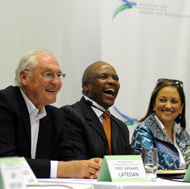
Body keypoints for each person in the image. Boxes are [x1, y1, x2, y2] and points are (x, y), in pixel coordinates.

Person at [0, 49, 102, 178]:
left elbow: (67, 160)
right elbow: (5, 162)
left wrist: (90, 167)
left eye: (59, 75)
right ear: (24, 77)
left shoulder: (56, 116)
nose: (56, 82)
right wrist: (66, 169)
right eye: (48, 74)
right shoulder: (4, 104)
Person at [60, 61, 130, 160]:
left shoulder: (121, 126)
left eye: (115, 78)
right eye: (103, 77)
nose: (112, 82)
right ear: (86, 86)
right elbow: (78, 163)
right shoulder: (71, 114)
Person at [131, 78, 190, 170]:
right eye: (163, 100)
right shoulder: (143, 131)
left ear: (181, 108)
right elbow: (150, 169)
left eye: (174, 101)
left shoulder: (183, 135)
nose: (168, 106)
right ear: (153, 105)